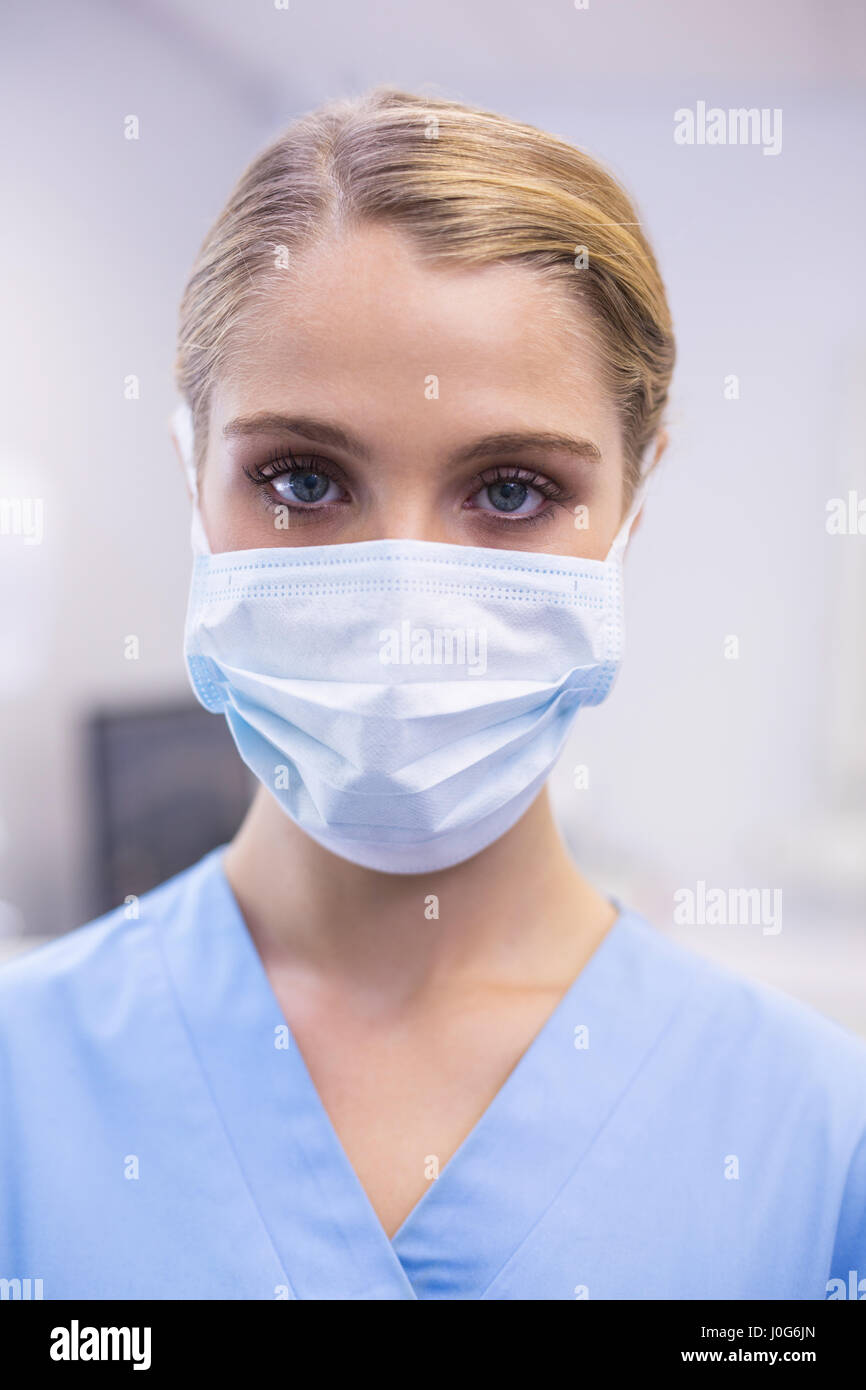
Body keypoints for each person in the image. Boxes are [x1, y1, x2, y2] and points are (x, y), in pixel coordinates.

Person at [1, 86, 864, 1302]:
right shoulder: (21, 1093)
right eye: (302, 479)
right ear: (194, 474)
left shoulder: (815, 1147)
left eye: (510, 490)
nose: (404, 597)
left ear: (633, 502)